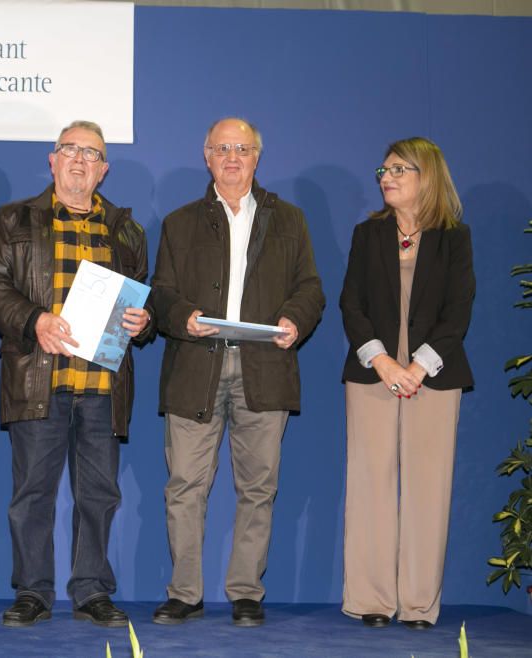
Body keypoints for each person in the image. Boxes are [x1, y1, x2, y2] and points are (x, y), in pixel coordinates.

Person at [0, 120, 152, 628]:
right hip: (38, 379)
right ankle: (33, 591)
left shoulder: (126, 229)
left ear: (103, 170)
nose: (79, 159)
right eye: (69, 149)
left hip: (102, 386)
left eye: (91, 153)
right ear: (52, 161)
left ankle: (92, 590)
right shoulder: (15, 219)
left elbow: (143, 300)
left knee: (100, 495)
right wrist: (35, 320)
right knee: (32, 494)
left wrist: (145, 320)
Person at [150, 117, 324, 627]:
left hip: (264, 366)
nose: (232, 157)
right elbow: (160, 292)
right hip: (193, 367)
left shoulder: (289, 219)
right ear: (206, 156)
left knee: (259, 486)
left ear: (256, 158)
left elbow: (311, 287)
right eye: (222, 148)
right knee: (184, 484)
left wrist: (296, 318)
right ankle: (185, 593)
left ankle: (246, 591)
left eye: (242, 149)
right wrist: (182, 316)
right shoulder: (180, 222)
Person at [340, 137, 474, 630]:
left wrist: (418, 367)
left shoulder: (454, 238)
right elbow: (350, 304)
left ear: (428, 176)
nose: (386, 176)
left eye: (399, 168)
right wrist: (383, 362)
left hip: (434, 378)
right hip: (372, 374)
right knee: (370, 485)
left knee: (427, 489)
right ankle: (373, 601)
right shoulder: (367, 234)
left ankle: (419, 605)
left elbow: (458, 311)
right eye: (384, 169)